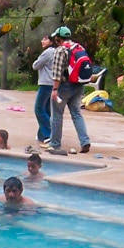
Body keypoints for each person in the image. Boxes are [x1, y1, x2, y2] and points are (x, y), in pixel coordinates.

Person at [47, 26, 92, 155]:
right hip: (78, 85)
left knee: (57, 115)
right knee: (77, 114)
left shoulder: (61, 50)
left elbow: (57, 72)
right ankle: (85, 141)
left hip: (64, 86)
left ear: (58, 38)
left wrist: (55, 89)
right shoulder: (79, 47)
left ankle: (55, 144)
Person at [32, 34, 57, 144]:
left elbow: (35, 65)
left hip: (46, 83)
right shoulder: (55, 51)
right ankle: (42, 135)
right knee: (46, 110)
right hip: (51, 83)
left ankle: (49, 133)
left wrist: (37, 61)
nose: (42, 41)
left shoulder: (48, 52)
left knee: (38, 109)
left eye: (45, 39)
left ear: (51, 42)